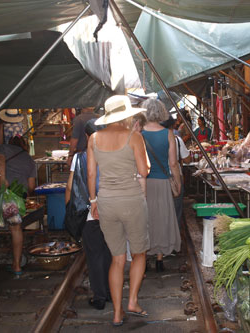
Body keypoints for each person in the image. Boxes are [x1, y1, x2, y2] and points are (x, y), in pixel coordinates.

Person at [87, 95, 150, 326]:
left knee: (117, 258)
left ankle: (116, 312)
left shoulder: (93, 139)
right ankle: (132, 301)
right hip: (132, 201)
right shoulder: (135, 137)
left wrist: (93, 201)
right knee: (139, 252)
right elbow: (144, 171)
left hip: (106, 202)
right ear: (126, 114)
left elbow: (91, 174)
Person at [65, 119, 112, 310]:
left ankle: (99, 296)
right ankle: (110, 291)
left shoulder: (79, 158)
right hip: (112, 210)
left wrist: (69, 208)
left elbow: (70, 186)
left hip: (90, 212)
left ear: (86, 136)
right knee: (110, 253)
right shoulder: (114, 154)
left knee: (94, 255)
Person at [0, 135, 36, 283]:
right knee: (16, 228)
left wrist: (2, 179)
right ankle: (17, 266)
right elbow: (31, 186)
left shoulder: (3, 148)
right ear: (24, 145)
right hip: (17, 195)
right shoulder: (30, 160)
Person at [141, 98, 182, 272]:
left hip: (143, 183)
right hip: (163, 182)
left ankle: (144, 257)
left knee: (146, 219)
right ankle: (159, 259)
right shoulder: (167, 133)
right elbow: (173, 163)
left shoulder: (139, 133)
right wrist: (178, 182)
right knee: (162, 218)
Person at [160, 117, 191, 226]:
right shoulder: (177, 139)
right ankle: (175, 237)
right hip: (175, 178)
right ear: (172, 126)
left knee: (161, 212)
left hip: (158, 179)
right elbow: (187, 160)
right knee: (176, 211)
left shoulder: (149, 138)